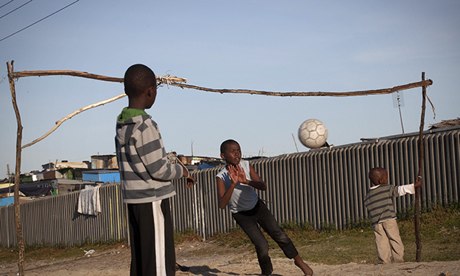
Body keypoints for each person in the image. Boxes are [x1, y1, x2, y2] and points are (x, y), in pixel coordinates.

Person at [115, 64, 192, 276]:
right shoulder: (145, 125)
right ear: (151, 91)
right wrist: (181, 171)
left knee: (142, 261)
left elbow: (142, 161)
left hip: (134, 200)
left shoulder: (123, 124)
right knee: (159, 265)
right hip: (152, 199)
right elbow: (158, 170)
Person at [215, 139, 314, 276]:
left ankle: (299, 262)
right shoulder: (221, 176)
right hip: (241, 215)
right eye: (233, 151)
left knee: (279, 234)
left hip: (258, 207)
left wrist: (246, 181)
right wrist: (232, 184)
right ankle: (266, 272)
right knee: (262, 245)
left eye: (238, 150)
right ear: (223, 156)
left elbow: (263, 186)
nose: (237, 154)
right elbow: (221, 205)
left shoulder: (246, 165)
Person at [364, 167, 422, 264]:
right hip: (389, 219)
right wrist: (414, 186)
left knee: (381, 241)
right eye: (386, 177)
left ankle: (384, 260)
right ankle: (398, 259)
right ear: (381, 180)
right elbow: (400, 190)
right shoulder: (386, 188)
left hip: (376, 223)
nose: (387, 179)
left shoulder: (368, 195)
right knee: (394, 238)